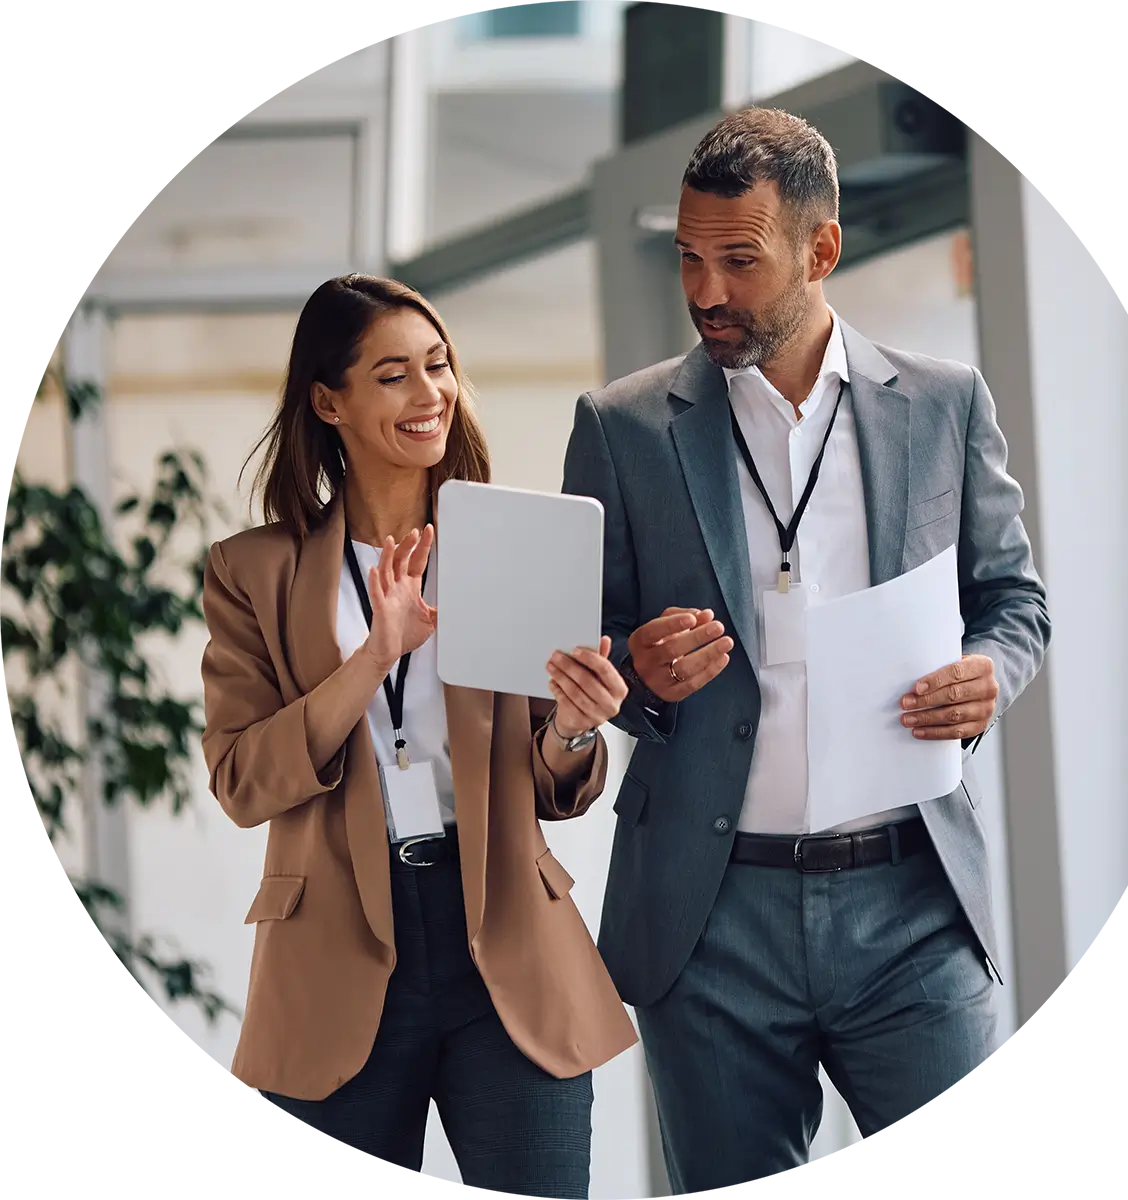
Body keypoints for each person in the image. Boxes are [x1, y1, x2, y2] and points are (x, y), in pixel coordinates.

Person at [561, 107, 1051, 1192]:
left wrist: (991, 676)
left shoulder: (943, 403)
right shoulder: (623, 426)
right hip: (708, 912)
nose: (705, 292)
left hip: (911, 906)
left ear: (821, 250)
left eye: (739, 259)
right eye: (690, 257)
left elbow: (1014, 601)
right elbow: (578, 649)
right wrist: (637, 673)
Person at [199, 274, 637, 1198]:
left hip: (507, 941)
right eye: (393, 374)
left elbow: (555, 785)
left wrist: (573, 726)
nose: (429, 393)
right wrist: (372, 658)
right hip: (335, 954)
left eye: (438, 367)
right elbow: (241, 780)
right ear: (330, 401)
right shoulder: (255, 573)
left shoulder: (513, 543)